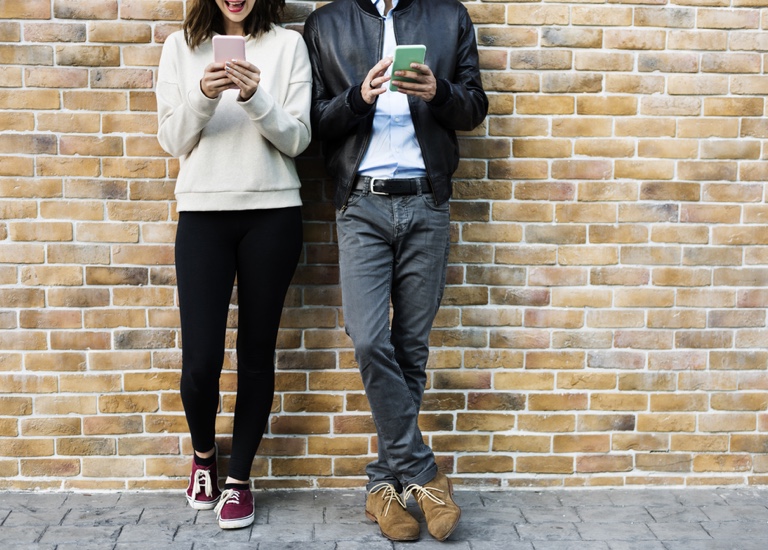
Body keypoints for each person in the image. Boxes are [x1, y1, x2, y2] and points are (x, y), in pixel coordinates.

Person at [303, 0, 488, 542]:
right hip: (361, 203)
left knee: (411, 349)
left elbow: (476, 107)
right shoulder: (326, 23)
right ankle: (426, 474)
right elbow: (314, 120)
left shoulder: (447, 16)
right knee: (367, 337)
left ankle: (384, 486)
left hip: (426, 202)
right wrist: (358, 98)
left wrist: (442, 94)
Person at [155, 0, 311, 530]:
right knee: (200, 361)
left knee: (255, 355)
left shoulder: (289, 46)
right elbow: (172, 140)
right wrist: (203, 94)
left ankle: (240, 480)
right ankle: (204, 457)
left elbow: (297, 139)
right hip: (202, 212)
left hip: (273, 214)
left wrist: (254, 96)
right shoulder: (181, 47)